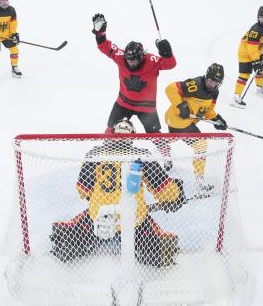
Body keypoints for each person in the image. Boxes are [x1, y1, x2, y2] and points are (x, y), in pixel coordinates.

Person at [49, 118, 186, 267]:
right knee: (145, 226)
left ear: (112, 134)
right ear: (133, 136)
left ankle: (71, 236)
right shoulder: (143, 156)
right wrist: (176, 193)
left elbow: (83, 190)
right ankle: (154, 245)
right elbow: (166, 191)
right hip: (133, 218)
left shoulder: (95, 154)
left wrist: (101, 197)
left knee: (90, 215)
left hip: (98, 215)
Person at [91, 13, 176, 134]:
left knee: (156, 137)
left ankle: (166, 153)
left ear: (141, 57)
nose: (130, 62)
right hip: (123, 104)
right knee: (110, 131)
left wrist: (167, 53)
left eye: (134, 59)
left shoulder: (152, 61)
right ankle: (106, 150)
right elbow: (104, 46)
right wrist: (100, 33)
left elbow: (170, 64)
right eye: (128, 59)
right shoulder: (121, 57)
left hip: (146, 108)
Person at [164, 63, 227, 193]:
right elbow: (170, 89)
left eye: (216, 82)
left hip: (182, 122)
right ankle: (199, 180)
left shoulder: (214, 92)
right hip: (179, 120)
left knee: (172, 138)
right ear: (206, 77)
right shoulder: (195, 85)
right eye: (210, 81)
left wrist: (216, 118)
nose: (212, 84)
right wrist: (181, 105)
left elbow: (207, 110)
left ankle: (162, 149)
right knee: (201, 145)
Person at [231, 6, 263, 108]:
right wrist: (257, 61)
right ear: (258, 17)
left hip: (257, 52)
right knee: (244, 75)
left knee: (260, 71)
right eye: (261, 17)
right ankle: (237, 95)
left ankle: (259, 87)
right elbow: (251, 48)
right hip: (245, 54)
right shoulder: (255, 30)